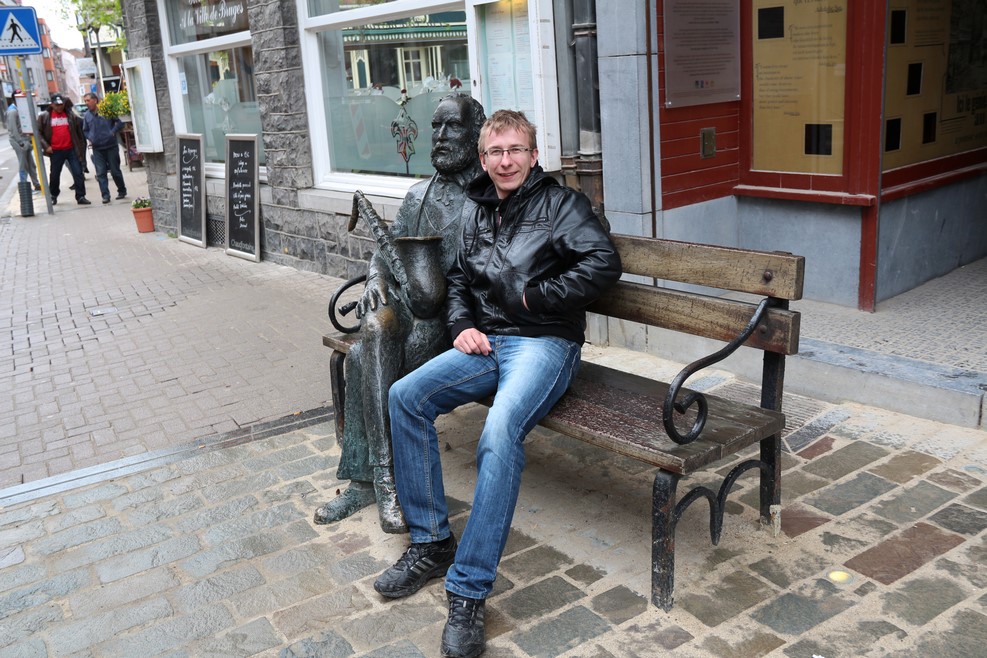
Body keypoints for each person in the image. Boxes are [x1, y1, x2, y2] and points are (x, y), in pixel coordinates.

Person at [373, 110, 621, 658]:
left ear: (533, 155)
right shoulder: (477, 208)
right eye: (495, 152)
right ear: (483, 159)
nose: (505, 161)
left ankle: (468, 590)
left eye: (515, 150)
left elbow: (603, 263)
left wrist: (535, 298)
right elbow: (459, 277)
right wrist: (461, 325)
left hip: (544, 343)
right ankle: (432, 543)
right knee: (405, 396)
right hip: (487, 342)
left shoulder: (562, 205)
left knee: (499, 431)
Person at [313, 93, 486, 533]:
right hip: (412, 306)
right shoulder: (417, 195)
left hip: (457, 319)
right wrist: (375, 280)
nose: (440, 136)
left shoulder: (489, 194)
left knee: (360, 358)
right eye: (436, 126)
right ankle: (385, 479)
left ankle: (370, 481)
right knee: (376, 324)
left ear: (475, 134)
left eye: (453, 127)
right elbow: (384, 254)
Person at [37, 93, 90, 205]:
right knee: (55, 175)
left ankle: (80, 196)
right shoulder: (45, 116)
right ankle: (53, 195)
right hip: (55, 151)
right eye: (57, 105)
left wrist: (80, 147)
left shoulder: (70, 114)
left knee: (78, 173)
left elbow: (78, 132)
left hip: (71, 149)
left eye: (61, 104)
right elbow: (38, 133)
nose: (59, 107)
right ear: (52, 105)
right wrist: (46, 146)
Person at [82, 92, 127, 204]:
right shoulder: (87, 115)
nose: (86, 103)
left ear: (95, 100)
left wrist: (112, 132)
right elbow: (85, 130)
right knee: (100, 173)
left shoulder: (106, 111)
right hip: (97, 149)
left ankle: (122, 191)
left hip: (111, 146)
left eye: (88, 100)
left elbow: (120, 123)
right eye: (85, 101)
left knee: (115, 171)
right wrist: (90, 137)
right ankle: (105, 196)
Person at [6, 96, 41, 191]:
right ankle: (24, 187)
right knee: (23, 164)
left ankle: (36, 184)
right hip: (19, 141)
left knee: (31, 164)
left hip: (25, 140)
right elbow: (13, 129)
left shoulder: (19, 109)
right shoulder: (13, 111)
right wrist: (20, 143)